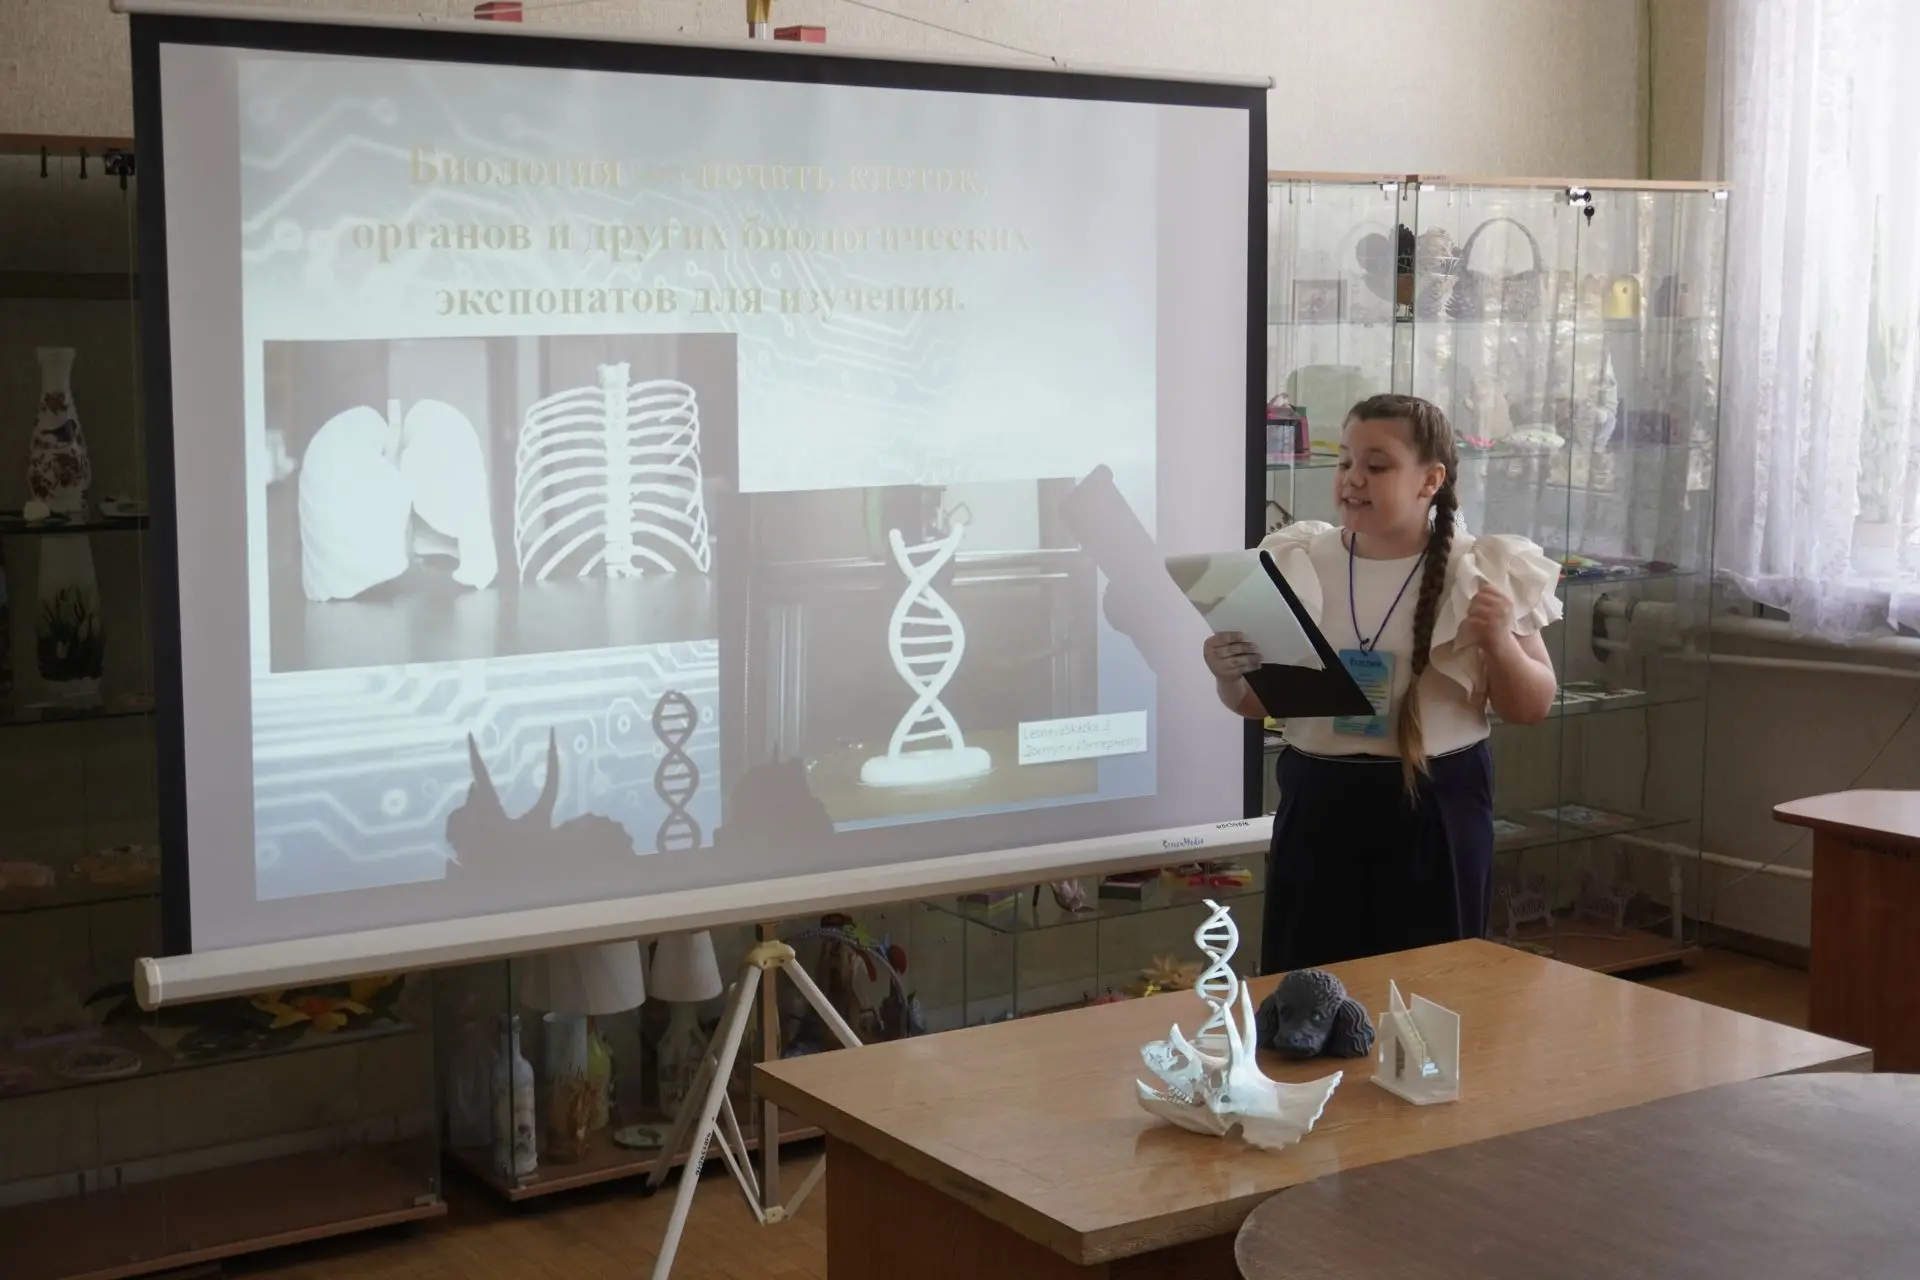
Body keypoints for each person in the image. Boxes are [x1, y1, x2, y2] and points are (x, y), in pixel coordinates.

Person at [1205, 394, 1561, 974]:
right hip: (1319, 798)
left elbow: (1532, 704)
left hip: (1437, 798)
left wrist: (1499, 640)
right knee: (1308, 986)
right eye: (1346, 461)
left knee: (1433, 984)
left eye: (1377, 465)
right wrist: (1228, 675)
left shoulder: (1483, 567)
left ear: (1431, 480)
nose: (1352, 479)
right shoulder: (1295, 559)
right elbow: (1255, 701)